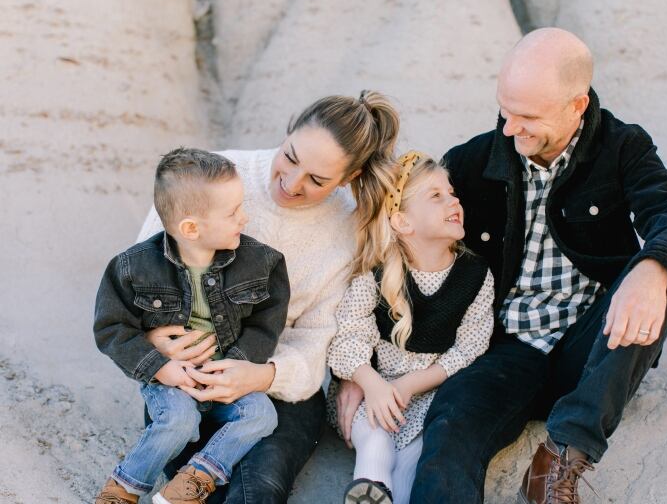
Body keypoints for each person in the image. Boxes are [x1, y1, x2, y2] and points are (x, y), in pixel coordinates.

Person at [337, 28, 667, 503]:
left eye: (529, 116)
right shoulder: (473, 162)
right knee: (450, 429)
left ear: (576, 106)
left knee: (660, 279)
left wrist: (652, 269)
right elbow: (401, 248)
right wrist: (359, 373)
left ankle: (560, 458)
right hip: (502, 351)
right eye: (505, 110)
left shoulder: (621, 148)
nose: (511, 129)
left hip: (593, 348)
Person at [136, 91, 401, 503]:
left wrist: (265, 375)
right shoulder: (209, 178)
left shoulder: (349, 227)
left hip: (280, 385)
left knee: (260, 490)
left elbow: (318, 338)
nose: (292, 183)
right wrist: (157, 342)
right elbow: (140, 280)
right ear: (288, 129)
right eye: (290, 157)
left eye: (317, 180)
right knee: (196, 487)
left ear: (348, 178)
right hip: (191, 376)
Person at [93, 148, 289, 504]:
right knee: (179, 421)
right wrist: (161, 367)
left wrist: (239, 365)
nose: (244, 218)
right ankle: (125, 487)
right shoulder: (132, 269)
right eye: (233, 213)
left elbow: (266, 322)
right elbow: (111, 329)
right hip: (171, 377)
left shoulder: (260, 263)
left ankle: (197, 478)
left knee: (261, 414)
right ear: (190, 228)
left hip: (224, 374)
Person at [327, 152, 494, 504]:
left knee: (412, 458)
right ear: (402, 221)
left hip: (429, 392)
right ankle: (368, 486)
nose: (454, 200)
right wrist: (372, 384)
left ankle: (386, 496)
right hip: (370, 389)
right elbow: (349, 334)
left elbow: (469, 348)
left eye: (452, 193)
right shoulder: (376, 271)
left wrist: (410, 384)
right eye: (437, 196)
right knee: (375, 436)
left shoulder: (475, 276)